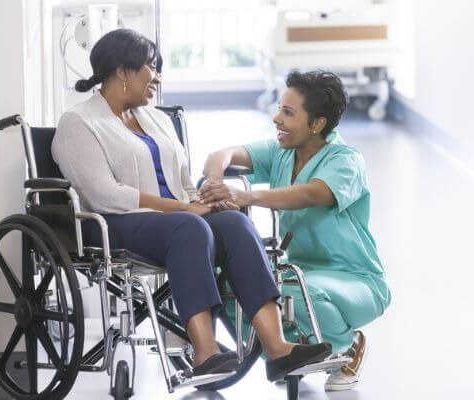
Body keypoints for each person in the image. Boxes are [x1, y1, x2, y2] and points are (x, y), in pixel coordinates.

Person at [51, 29, 330, 382]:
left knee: (234, 222)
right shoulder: (78, 122)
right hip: (112, 223)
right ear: (123, 71)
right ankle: (205, 353)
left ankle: (277, 348)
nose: (157, 78)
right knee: (190, 227)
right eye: (151, 68)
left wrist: (207, 201)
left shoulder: (157, 119)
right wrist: (184, 210)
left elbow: (183, 182)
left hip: (175, 221)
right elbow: (106, 194)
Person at [200, 70, 391, 391]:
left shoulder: (346, 160)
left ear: (316, 124)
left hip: (355, 278)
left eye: (288, 113)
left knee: (288, 290)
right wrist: (215, 182)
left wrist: (246, 196)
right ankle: (291, 353)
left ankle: (349, 344)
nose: (277, 119)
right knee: (230, 287)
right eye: (279, 109)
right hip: (302, 272)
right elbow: (222, 154)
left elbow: (314, 193)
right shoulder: (282, 151)